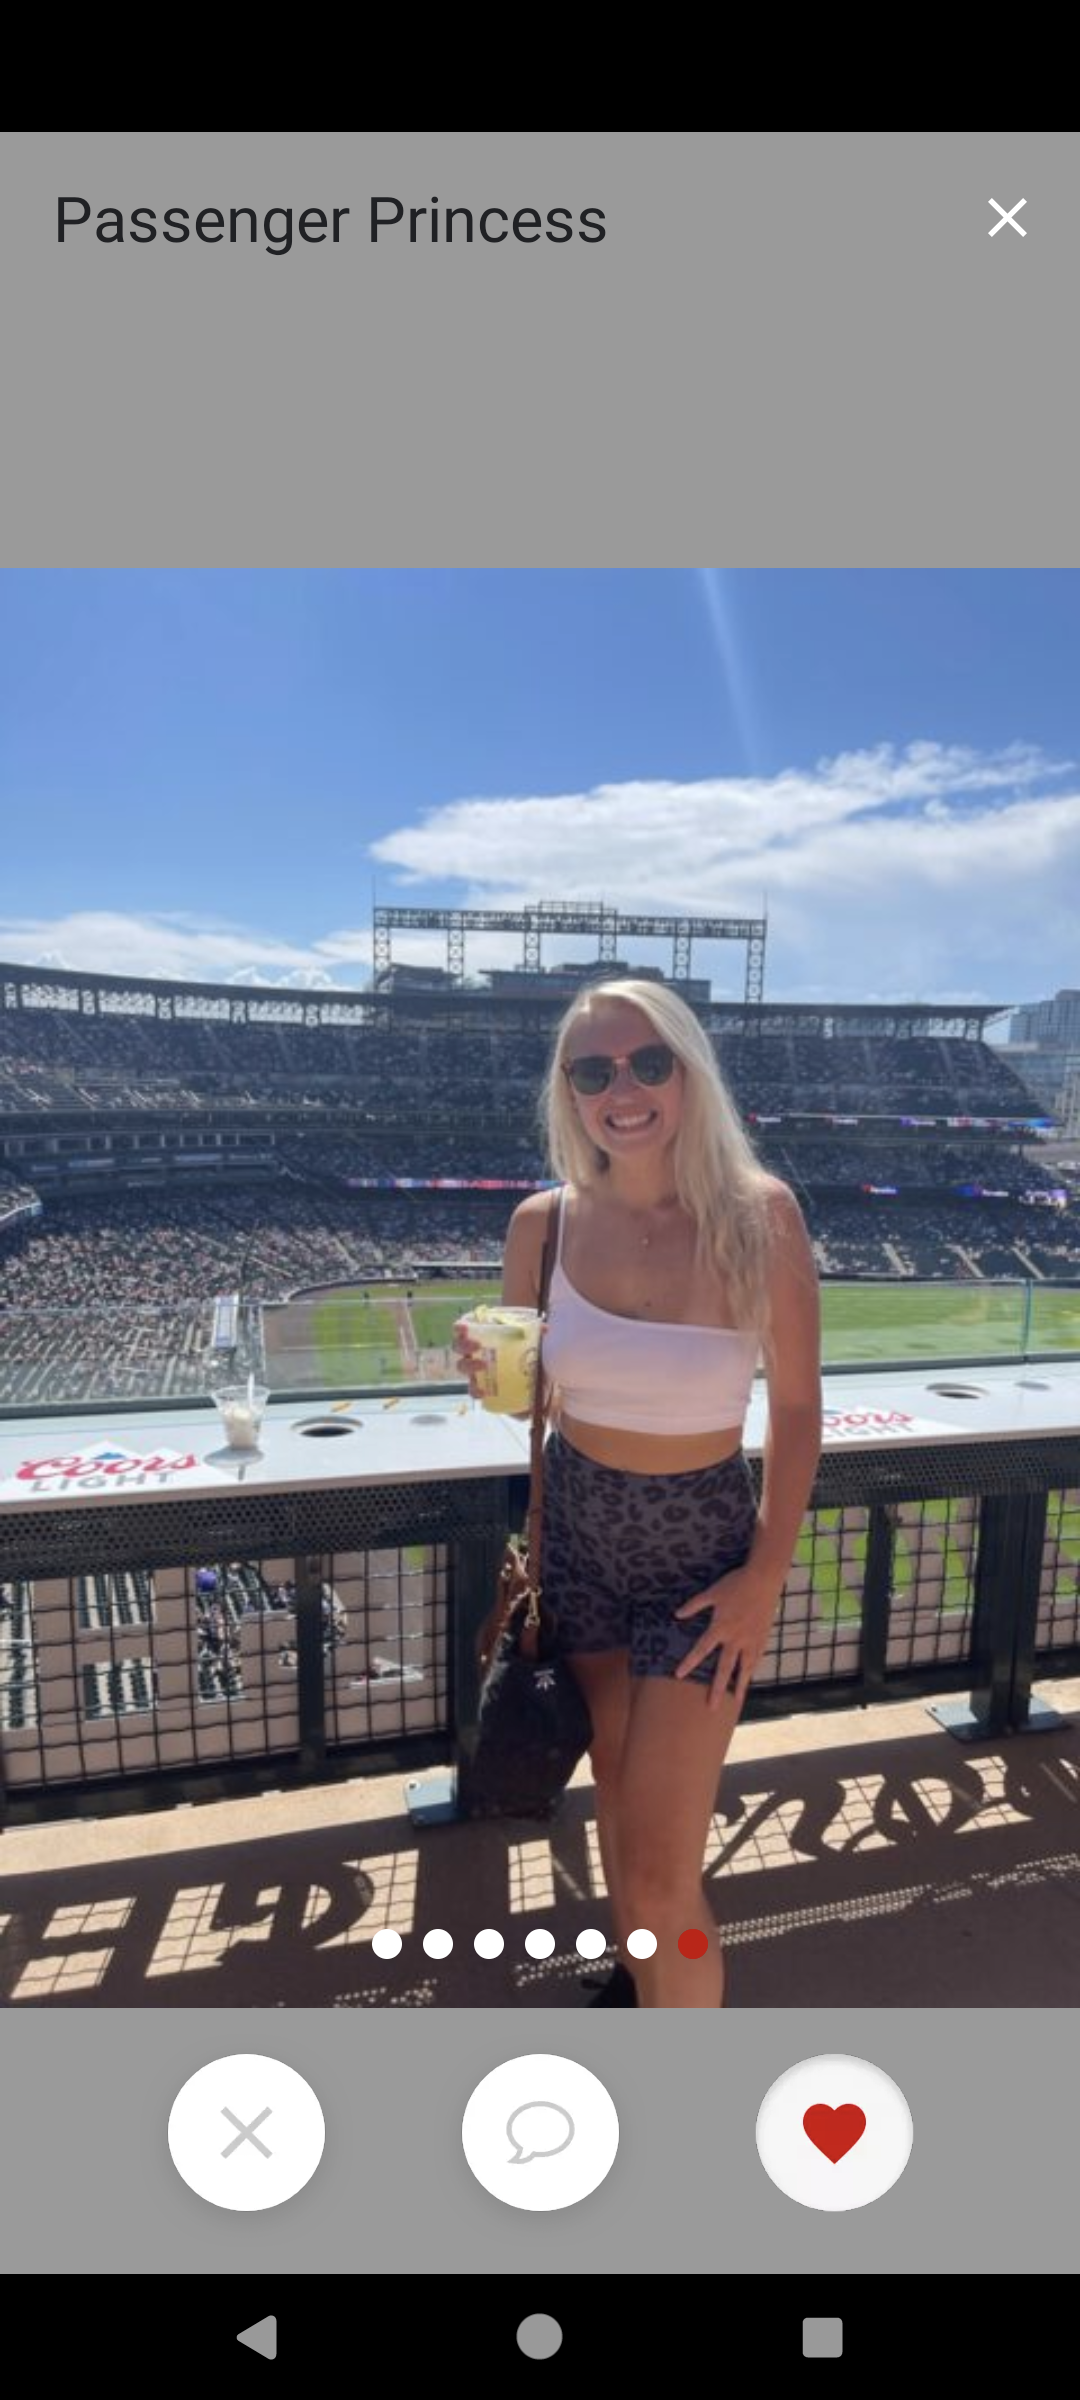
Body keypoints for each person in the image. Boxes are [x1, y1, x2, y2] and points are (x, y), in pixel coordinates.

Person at [454, 980, 821, 2010]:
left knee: (664, 1875)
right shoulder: (541, 1225)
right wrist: (488, 1377)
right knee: (615, 1793)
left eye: (648, 1063)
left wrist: (764, 1577)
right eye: (593, 1070)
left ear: (688, 1073)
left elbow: (798, 1411)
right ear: (567, 1090)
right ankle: (642, 1986)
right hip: (579, 1537)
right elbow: (527, 1399)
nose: (621, 1090)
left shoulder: (761, 1215)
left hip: (701, 1551)